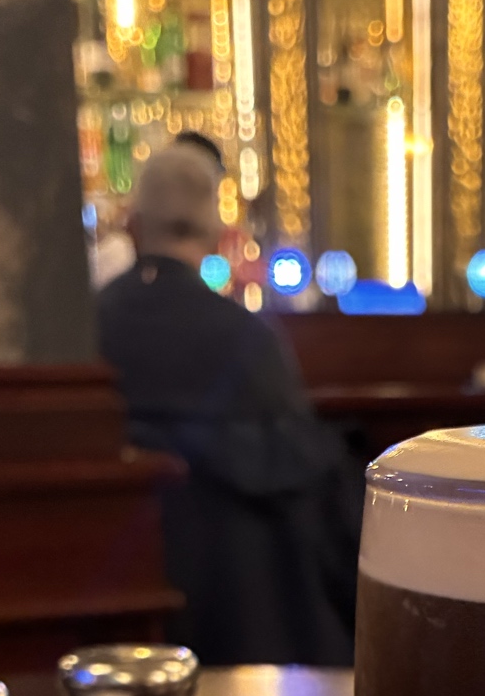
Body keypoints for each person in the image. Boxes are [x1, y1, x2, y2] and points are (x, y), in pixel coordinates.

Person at [97, 143, 360, 667]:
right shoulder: (251, 341)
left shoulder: (90, 329)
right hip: (253, 626)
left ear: (132, 227)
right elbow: (303, 479)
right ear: (218, 237)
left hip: (113, 624)